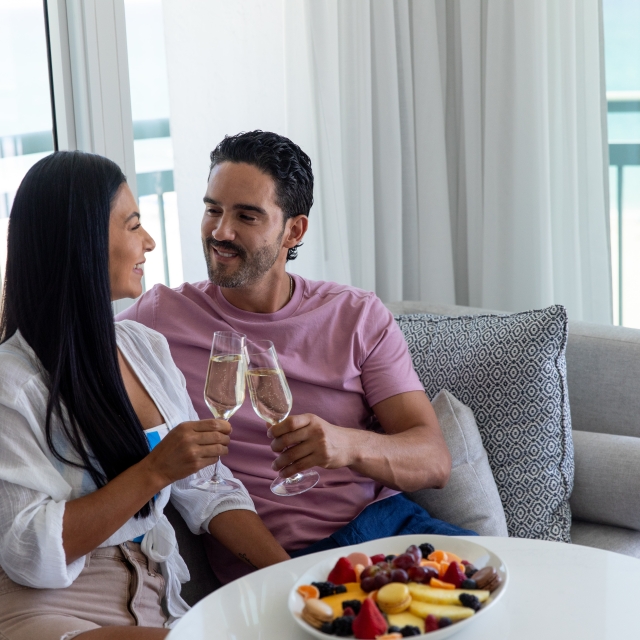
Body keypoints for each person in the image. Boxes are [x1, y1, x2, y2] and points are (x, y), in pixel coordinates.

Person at [118, 130, 474, 585]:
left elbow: (434, 460)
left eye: (246, 216)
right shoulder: (159, 317)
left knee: (507, 601)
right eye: (213, 210)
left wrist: (347, 445)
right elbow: (61, 349)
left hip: (387, 530)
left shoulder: (356, 315)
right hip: (278, 563)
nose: (220, 232)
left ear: (294, 229)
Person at [0, 151, 289, 640]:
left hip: (153, 598)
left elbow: (209, 490)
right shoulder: (15, 381)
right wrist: (154, 471)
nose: (149, 242)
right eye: (133, 226)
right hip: (50, 608)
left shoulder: (144, 349)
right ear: (83, 241)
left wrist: (298, 581)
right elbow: (29, 549)